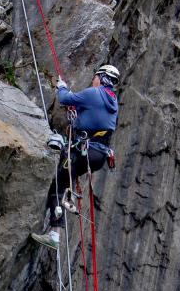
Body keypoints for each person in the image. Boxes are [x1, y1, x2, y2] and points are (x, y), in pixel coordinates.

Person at [31, 64, 120, 249]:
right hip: (98, 156)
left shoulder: (94, 93)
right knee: (67, 179)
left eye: (96, 76)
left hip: (84, 151)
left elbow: (64, 98)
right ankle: (66, 200)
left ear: (102, 77)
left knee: (58, 184)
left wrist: (61, 86)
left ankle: (55, 234)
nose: (93, 79)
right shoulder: (113, 102)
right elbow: (93, 117)